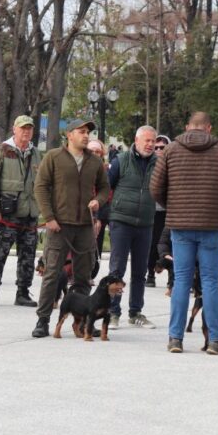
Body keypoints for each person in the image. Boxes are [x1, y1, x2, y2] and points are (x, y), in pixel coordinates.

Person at [150, 111, 218, 355]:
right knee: (211, 282)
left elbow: (155, 187)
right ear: (209, 128)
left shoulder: (171, 151)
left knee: (181, 280)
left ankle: (175, 338)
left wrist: (174, 207)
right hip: (212, 225)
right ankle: (216, 339)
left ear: (187, 127)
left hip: (180, 225)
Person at [30, 119, 110, 339]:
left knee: (84, 277)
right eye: (81, 132)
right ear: (70, 135)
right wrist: (49, 217)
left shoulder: (94, 161)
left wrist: (98, 201)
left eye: (88, 133)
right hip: (59, 226)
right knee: (52, 275)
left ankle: (84, 320)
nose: (86, 136)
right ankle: (43, 319)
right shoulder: (53, 157)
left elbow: (105, 188)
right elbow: (40, 187)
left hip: (84, 226)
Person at [0, 115, 41, 308]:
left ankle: (23, 292)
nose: (26, 132)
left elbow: (42, 183)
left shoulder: (36, 154)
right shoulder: (2, 151)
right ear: (14, 130)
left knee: (28, 256)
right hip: (7, 214)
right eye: (23, 128)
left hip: (30, 214)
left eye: (29, 128)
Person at [106, 126, 159, 330]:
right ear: (136, 141)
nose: (150, 144)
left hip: (145, 223)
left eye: (153, 141)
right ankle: (112, 312)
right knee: (117, 269)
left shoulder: (159, 163)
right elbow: (106, 187)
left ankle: (135, 312)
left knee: (140, 271)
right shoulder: (121, 160)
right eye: (146, 140)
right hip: (121, 221)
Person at [145, 134, 171, 287]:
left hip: (170, 211)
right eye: (157, 147)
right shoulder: (149, 165)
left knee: (171, 244)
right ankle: (150, 273)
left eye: (163, 147)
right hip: (153, 211)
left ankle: (172, 278)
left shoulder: (173, 163)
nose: (159, 150)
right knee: (153, 243)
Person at [87, 139, 111, 275]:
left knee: (96, 243)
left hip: (100, 211)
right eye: (92, 151)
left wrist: (99, 217)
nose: (95, 154)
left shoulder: (106, 170)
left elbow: (107, 193)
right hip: (82, 211)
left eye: (98, 151)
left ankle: (92, 272)